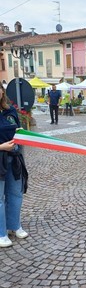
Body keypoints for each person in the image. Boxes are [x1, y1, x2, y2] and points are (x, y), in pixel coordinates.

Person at [0, 82, 29, 248]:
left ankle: (14, 225)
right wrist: (1, 147)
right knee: (0, 198)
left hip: (14, 157)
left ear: (2, 91)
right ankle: (1, 232)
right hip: (0, 158)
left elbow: (19, 130)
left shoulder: (10, 111)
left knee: (15, 193)